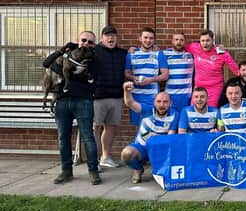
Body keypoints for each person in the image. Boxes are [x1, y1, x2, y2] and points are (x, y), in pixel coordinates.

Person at [43, 31, 101, 185]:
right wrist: (62, 50)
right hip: (62, 101)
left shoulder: (93, 58)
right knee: (63, 138)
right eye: (84, 40)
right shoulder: (67, 54)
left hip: (83, 101)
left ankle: (93, 171)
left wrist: (70, 72)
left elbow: (93, 77)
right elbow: (47, 64)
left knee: (88, 137)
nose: (86, 43)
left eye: (90, 42)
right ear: (78, 40)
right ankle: (66, 171)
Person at [120, 82, 179, 184]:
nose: (161, 105)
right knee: (126, 154)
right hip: (141, 147)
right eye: (159, 101)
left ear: (170, 103)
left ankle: (160, 169)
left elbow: (170, 137)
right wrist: (126, 90)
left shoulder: (175, 114)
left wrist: (155, 139)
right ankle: (138, 169)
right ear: (154, 102)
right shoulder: (147, 110)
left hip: (159, 149)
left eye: (165, 102)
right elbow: (130, 103)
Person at [92, 25, 127, 169]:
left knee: (111, 127)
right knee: (95, 127)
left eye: (113, 35)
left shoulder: (122, 53)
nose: (110, 38)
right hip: (97, 96)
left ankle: (105, 157)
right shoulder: (94, 52)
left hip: (116, 96)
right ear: (102, 38)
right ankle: (93, 161)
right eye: (107, 35)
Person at [124, 27, 169, 125]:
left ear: (154, 40)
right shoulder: (131, 54)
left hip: (152, 96)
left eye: (151, 38)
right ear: (140, 38)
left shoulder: (159, 54)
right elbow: (126, 73)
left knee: (152, 124)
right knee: (138, 126)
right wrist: (133, 78)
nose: (148, 41)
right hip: (135, 96)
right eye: (145, 37)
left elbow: (165, 75)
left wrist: (150, 80)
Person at [184, 29, 239, 107]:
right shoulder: (194, 47)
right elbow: (181, 48)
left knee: (211, 112)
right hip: (199, 87)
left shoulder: (221, 52)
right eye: (202, 41)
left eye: (207, 40)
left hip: (215, 88)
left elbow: (236, 69)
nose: (205, 43)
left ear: (212, 40)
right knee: (194, 110)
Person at [163, 32, 194, 112]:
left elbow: (206, 49)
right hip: (169, 95)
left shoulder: (191, 54)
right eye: (176, 40)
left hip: (186, 96)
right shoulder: (164, 54)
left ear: (185, 42)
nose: (179, 42)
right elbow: (149, 51)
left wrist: (218, 47)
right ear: (172, 41)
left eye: (181, 40)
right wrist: (134, 49)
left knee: (183, 121)